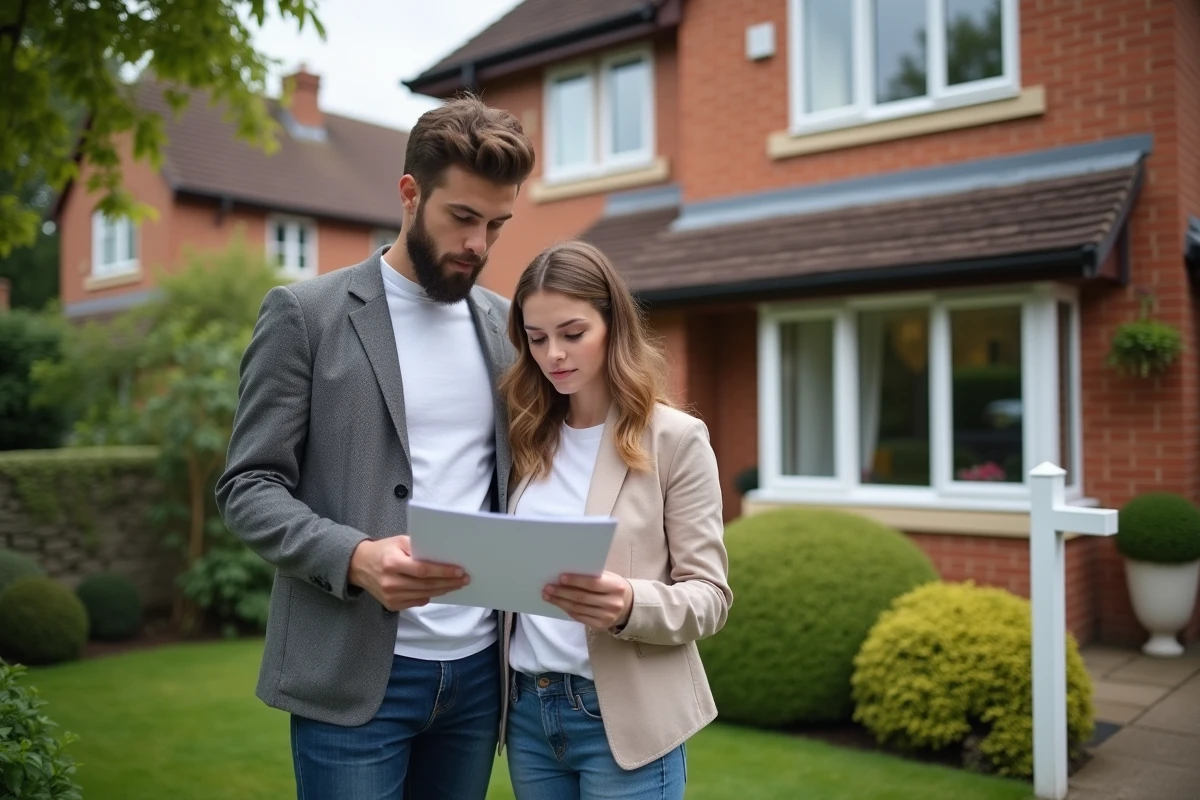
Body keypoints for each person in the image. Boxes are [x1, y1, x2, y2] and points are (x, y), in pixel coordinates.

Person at [215, 95, 535, 800]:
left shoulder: (504, 325)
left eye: (496, 225)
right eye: (462, 218)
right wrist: (355, 558)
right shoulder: (305, 316)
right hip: (353, 675)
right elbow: (248, 487)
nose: (479, 244)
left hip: (482, 673)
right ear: (409, 193)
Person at [496, 239, 733, 800]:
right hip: (529, 711)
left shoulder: (675, 439)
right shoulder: (526, 435)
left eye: (573, 334)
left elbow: (711, 596)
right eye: (536, 339)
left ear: (614, 326)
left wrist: (628, 604)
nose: (553, 354)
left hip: (622, 716)